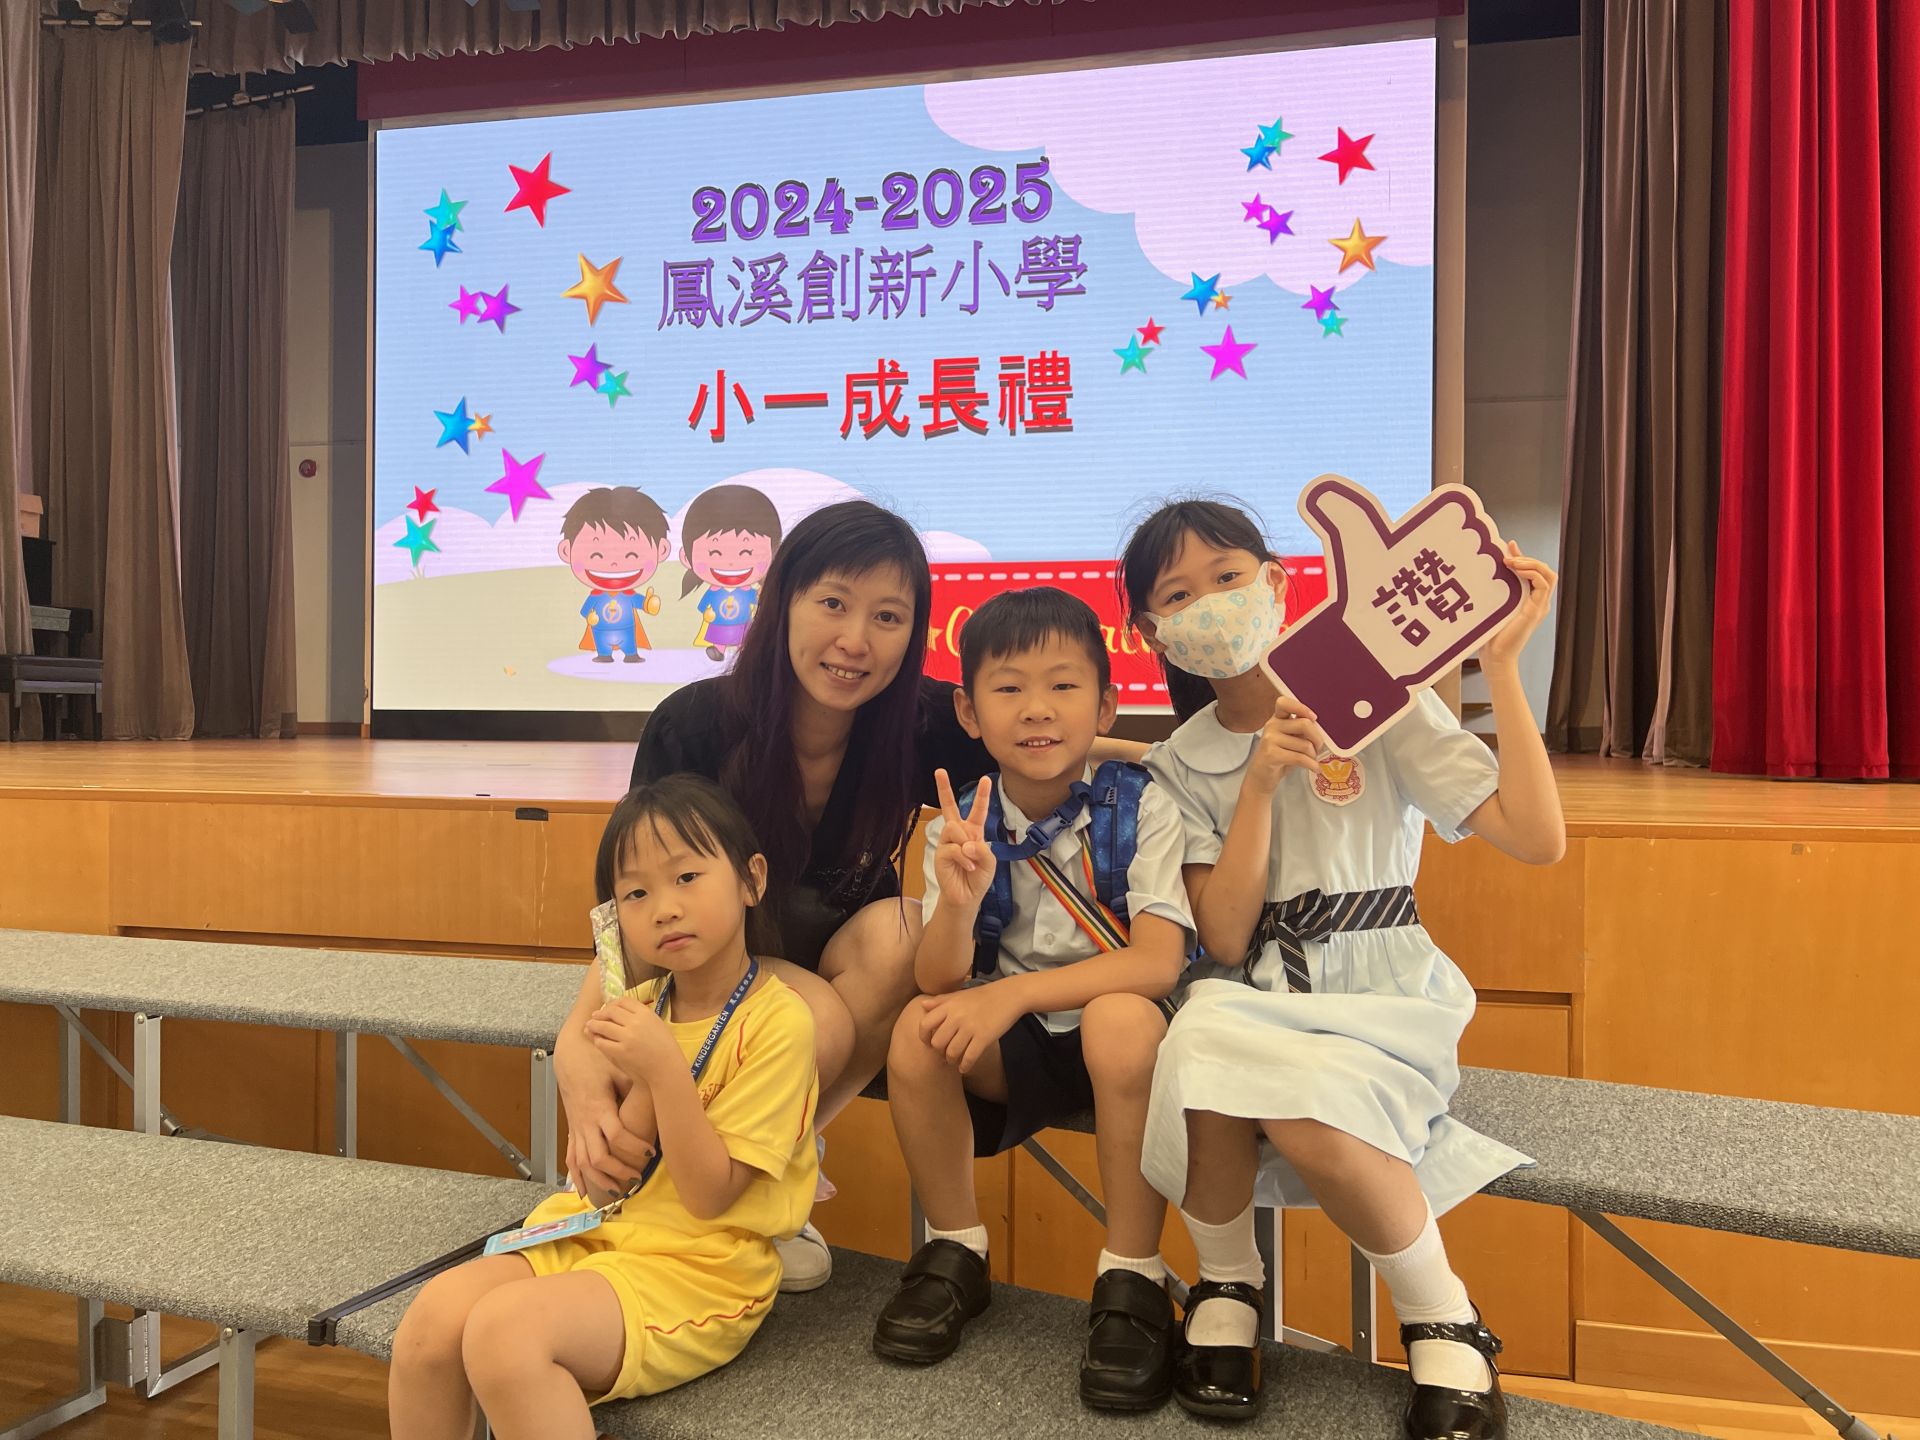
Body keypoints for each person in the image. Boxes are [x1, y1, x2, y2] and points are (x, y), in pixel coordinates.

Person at [1118, 499, 1564, 1436]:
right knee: (1198, 1036)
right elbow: (1225, 938)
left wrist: (1501, 667)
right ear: (1153, 632)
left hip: (1382, 991)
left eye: (1228, 578)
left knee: (1304, 1110)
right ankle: (1227, 1284)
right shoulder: (1181, 761)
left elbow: (1536, 837)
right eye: (1179, 595)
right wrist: (1259, 783)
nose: (1211, 604)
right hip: (1260, 988)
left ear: (1278, 582)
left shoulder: (1376, 693)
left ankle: (1442, 1312)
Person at [387, 775, 817, 1440]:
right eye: (636, 894)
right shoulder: (639, 1010)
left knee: (505, 1336)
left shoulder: (778, 1023)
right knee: (430, 1325)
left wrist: (663, 1071)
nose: (665, 908)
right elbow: (614, 1176)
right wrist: (599, 1146)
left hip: (701, 1268)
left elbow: (710, 1196)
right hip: (593, 1231)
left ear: (750, 879)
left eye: (687, 877)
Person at [871, 588, 1194, 1414]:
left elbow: (1157, 963)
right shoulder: (958, 823)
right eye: (1009, 688)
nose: (1037, 709)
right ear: (969, 712)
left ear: (1106, 705)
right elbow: (940, 980)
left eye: (1063, 685)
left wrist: (1011, 995)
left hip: (1126, 1040)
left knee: (1120, 1018)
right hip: (1016, 1041)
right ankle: (955, 1250)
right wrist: (955, 901)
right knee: (917, 1029)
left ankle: (1133, 1274)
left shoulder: (1146, 803)